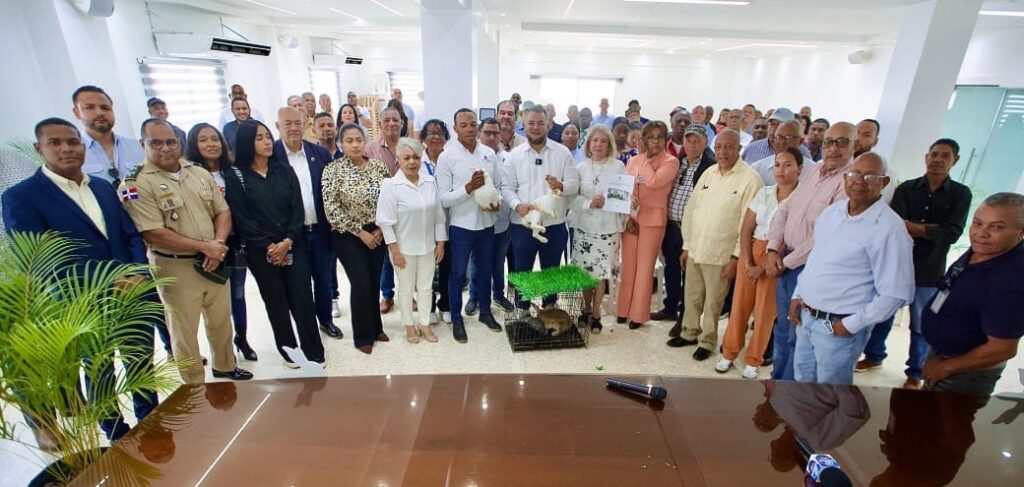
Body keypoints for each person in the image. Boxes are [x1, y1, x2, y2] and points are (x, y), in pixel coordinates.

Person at [3, 117, 162, 440]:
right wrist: (110, 280)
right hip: (80, 300)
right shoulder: (22, 196)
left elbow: (129, 234)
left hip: (131, 294)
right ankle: (115, 432)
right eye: (55, 143)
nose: (66, 149)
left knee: (140, 362)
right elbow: (38, 259)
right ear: (39, 149)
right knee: (99, 369)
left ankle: (151, 422)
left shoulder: (101, 187)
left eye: (72, 142)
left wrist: (136, 273)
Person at [120, 118, 252, 383]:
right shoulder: (135, 184)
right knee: (184, 330)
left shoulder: (197, 172)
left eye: (171, 142)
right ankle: (193, 382)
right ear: (143, 144)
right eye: (156, 143)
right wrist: (206, 247)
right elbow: (152, 232)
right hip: (175, 266)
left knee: (220, 319)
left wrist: (217, 244)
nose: (165, 148)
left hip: (214, 259)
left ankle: (225, 365)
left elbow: (223, 211)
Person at [788, 152, 914, 385]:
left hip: (838, 328)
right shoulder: (832, 213)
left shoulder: (889, 229)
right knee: (803, 385)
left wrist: (851, 325)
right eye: (855, 174)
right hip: (807, 318)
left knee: (831, 395)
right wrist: (798, 294)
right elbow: (817, 259)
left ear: (884, 182)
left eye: (870, 176)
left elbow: (896, 293)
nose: (859, 181)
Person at [859, 139, 972, 389]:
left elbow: (951, 233)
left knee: (921, 325)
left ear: (955, 160)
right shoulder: (907, 188)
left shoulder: (960, 194)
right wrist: (929, 230)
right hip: (896, 264)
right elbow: (894, 225)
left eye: (945, 156)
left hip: (928, 270)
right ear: (926, 157)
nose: (938, 160)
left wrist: (912, 227)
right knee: (883, 315)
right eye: (934, 154)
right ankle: (874, 356)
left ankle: (915, 371)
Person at [223, 120, 326, 368]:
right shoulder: (236, 176)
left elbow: (297, 209)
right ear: (247, 142)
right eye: (259, 138)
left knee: (302, 297)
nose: (267, 142)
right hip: (261, 252)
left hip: (293, 245)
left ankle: (314, 350)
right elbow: (242, 217)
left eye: (268, 136)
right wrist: (269, 246)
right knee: (275, 301)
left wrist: (287, 241)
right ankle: (289, 351)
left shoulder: (284, 170)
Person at [763, 122, 858, 381]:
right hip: (785, 260)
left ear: (855, 145)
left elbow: (824, 236)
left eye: (841, 142)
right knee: (782, 328)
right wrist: (773, 249)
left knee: (798, 335)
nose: (833, 148)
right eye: (828, 142)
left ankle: (789, 391)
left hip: (809, 268)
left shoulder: (848, 183)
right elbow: (785, 209)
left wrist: (786, 261)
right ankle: (777, 383)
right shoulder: (815, 170)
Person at [921, 192, 1024, 397]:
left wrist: (945, 367)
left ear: (1021, 231)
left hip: (964, 372)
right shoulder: (985, 249)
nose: (981, 233)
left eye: (997, 227)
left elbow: (1002, 348)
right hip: (942, 355)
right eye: (977, 223)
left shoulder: (1012, 280)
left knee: (941, 418)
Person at [675, 129, 763, 361]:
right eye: (719, 147)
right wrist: (686, 245)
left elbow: (747, 223)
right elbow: (692, 209)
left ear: (739, 149)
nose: (723, 152)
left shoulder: (750, 179)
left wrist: (736, 257)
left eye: (729, 147)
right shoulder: (709, 173)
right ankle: (689, 333)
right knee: (692, 296)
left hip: (722, 253)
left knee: (713, 302)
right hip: (696, 247)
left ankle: (707, 341)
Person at [716, 147, 802, 379]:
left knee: (765, 313)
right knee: (739, 306)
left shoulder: (802, 199)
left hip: (778, 259)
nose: (781, 170)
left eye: (788, 165)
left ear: (799, 168)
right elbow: (746, 228)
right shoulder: (764, 192)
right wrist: (747, 261)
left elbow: (792, 236)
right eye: (777, 165)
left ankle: (754, 359)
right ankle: (729, 352)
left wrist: (763, 267)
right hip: (752, 251)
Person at [184, 123, 258, 361]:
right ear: (194, 145)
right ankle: (221, 349)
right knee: (214, 301)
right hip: (205, 246)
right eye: (203, 140)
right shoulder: (189, 176)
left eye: (215, 139)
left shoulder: (233, 172)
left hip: (235, 243)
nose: (211, 144)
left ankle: (242, 338)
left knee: (237, 294)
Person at [273, 107, 343, 340]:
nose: (293, 128)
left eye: (297, 123)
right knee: (299, 285)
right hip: (291, 236)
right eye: (287, 124)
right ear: (278, 126)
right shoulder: (272, 155)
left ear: (305, 125)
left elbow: (331, 191)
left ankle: (326, 321)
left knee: (324, 281)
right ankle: (307, 328)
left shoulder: (319, 153)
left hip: (321, 230)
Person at [436, 109, 504, 342]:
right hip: (461, 226)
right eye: (463, 125)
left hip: (487, 224)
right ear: (455, 128)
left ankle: (485, 313)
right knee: (457, 274)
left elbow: (499, 186)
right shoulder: (447, 157)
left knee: (485, 271)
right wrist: (468, 188)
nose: (469, 129)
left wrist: (496, 203)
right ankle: (457, 319)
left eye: (473, 124)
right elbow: (443, 199)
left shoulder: (489, 153)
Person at [323, 123, 391, 355]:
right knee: (360, 283)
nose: (354, 145)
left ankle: (376, 328)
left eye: (358, 140)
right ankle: (362, 336)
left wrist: (380, 229)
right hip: (348, 234)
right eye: (349, 141)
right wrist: (361, 233)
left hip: (377, 231)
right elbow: (331, 209)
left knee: (373, 281)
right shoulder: (332, 170)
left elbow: (390, 200)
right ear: (341, 144)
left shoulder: (379, 167)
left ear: (365, 142)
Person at [501, 105, 579, 303]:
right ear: (524, 125)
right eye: (531, 123)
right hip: (523, 225)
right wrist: (517, 205)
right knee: (523, 274)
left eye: (540, 123)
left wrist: (561, 185)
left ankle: (550, 310)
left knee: (551, 274)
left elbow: (574, 184)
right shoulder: (514, 156)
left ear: (549, 124)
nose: (535, 127)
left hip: (554, 225)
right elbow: (507, 188)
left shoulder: (563, 153)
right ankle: (522, 311)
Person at [376, 138, 446, 344]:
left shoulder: (430, 182)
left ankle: (424, 323)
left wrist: (441, 242)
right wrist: (395, 251)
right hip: (403, 249)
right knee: (406, 289)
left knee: (426, 288)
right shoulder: (391, 185)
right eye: (406, 158)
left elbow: (439, 216)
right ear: (398, 159)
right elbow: (385, 222)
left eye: (416, 157)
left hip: (428, 247)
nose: (412, 162)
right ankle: (408, 325)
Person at [617, 121, 679, 328]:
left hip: (653, 220)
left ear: (666, 139)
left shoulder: (670, 162)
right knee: (628, 266)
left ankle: (638, 315)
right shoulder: (632, 160)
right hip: (631, 218)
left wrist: (645, 159)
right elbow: (625, 189)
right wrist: (627, 215)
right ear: (643, 139)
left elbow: (652, 182)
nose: (655, 141)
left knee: (645, 269)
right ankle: (623, 309)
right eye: (651, 137)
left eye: (659, 137)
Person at [655, 124, 716, 327]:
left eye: (697, 140)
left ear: (705, 143)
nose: (692, 144)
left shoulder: (710, 167)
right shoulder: (676, 162)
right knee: (671, 267)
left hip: (693, 229)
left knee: (690, 273)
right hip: (672, 226)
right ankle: (670, 307)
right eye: (689, 140)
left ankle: (686, 315)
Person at [570, 124, 627, 334]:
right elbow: (572, 198)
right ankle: (585, 309)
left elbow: (623, 198)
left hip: (607, 229)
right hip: (584, 228)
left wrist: (610, 201)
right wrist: (589, 203)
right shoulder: (580, 168)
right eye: (595, 140)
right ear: (588, 143)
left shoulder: (618, 167)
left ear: (609, 144)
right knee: (585, 274)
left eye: (603, 141)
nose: (598, 144)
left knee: (600, 274)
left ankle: (596, 314)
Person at [470, 117, 516, 313]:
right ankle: (474, 297)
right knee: (477, 262)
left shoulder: (509, 158)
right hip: (479, 222)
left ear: (501, 135)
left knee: (498, 262)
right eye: (487, 132)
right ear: (479, 134)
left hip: (503, 222)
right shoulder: (473, 157)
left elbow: (512, 187)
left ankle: (498, 294)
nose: (491, 137)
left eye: (495, 133)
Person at [368, 106, 403, 313]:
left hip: (407, 212)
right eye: (387, 120)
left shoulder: (409, 146)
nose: (391, 123)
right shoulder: (370, 150)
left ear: (402, 123)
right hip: (383, 212)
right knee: (385, 258)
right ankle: (387, 294)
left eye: (395, 120)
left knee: (406, 253)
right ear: (380, 124)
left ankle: (408, 293)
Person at [72, 85, 145, 187]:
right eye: (90, 107)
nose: (99, 113)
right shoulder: (72, 153)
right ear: (77, 113)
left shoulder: (137, 147)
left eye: (105, 108)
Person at [419, 120, 453, 322]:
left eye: (440, 133)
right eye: (431, 133)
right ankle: (429, 306)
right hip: (425, 223)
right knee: (427, 268)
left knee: (448, 266)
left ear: (446, 138)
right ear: (424, 137)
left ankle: (446, 305)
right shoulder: (417, 160)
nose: (435, 137)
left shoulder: (450, 159)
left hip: (450, 221)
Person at [749, 120, 814, 185]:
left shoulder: (813, 170)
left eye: (788, 137)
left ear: (801, 141)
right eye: (778, 137)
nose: (782, 142)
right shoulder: (758, 169)